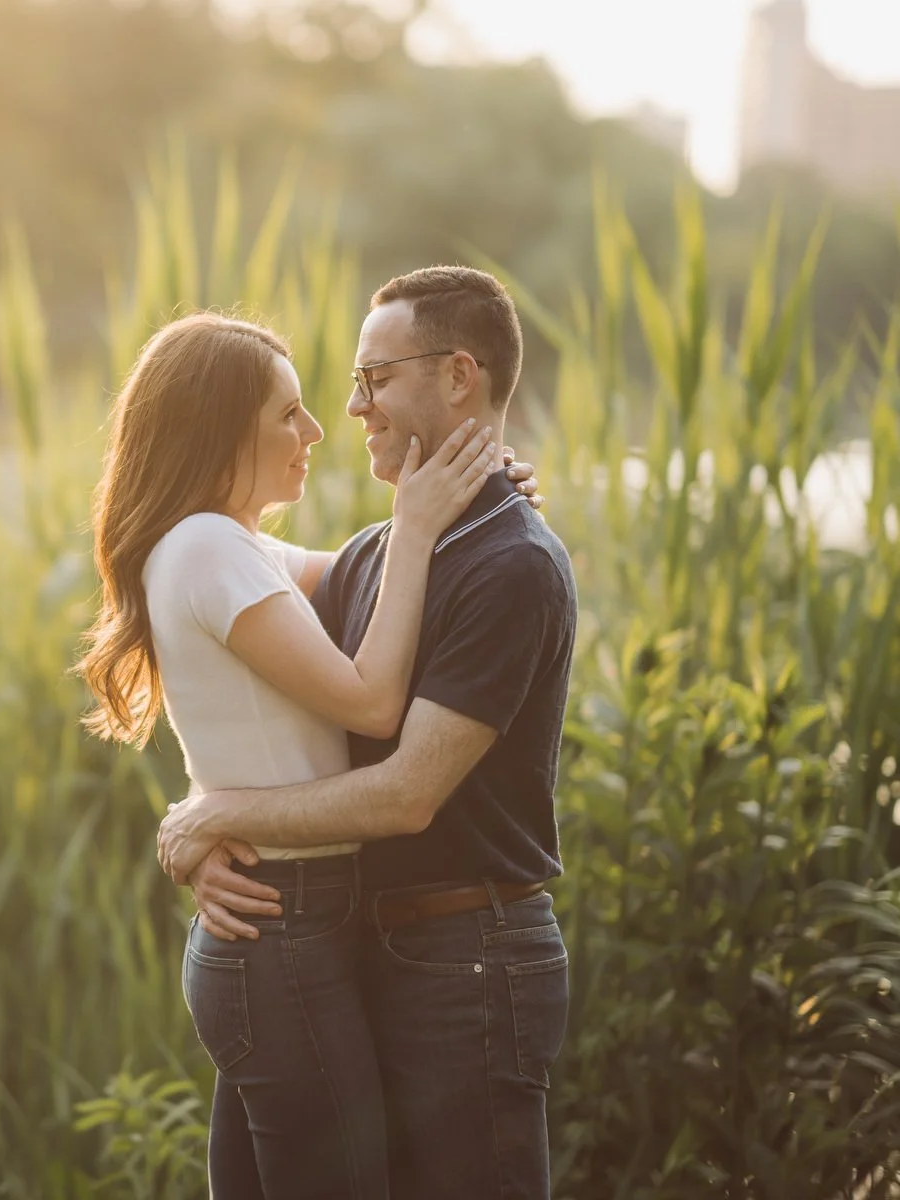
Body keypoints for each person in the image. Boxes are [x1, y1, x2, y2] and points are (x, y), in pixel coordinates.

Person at [76, 310, 539, 1199]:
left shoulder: (229, 543)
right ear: (220, 427)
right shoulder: (210, 547)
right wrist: (415, 524)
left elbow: (360, 575)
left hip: (283, 930)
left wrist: (469, 503)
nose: (318, 432)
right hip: (281, 933)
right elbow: (370, 696)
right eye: (289, 413)